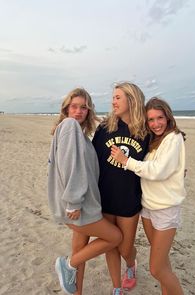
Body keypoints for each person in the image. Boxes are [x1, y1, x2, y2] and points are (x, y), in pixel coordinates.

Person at [47, 87, 122, 295]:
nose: (79, 111)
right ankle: (68, 264)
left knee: (80, 250)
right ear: (66, 108)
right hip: (79, 205)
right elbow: (70, 166)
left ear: (88, 111)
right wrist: (73, 201)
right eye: (74, 106)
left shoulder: (77, 133)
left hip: (81, 203)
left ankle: (75, 289)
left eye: (84, 108)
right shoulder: (70, 126)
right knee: (115, 237)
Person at [111, 97, 186, 295]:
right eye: (151, 120)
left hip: (166, 209)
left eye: (160, 118)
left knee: (156, 269)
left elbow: (157, 171)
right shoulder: (155, 140)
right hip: (148, 207)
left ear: (168, 117)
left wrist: (126, 161)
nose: (155, 124)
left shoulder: (173, 138)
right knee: (164, 265)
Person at [92, 82, 150, 295]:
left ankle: (131, 265)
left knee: (125, 247)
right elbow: (92, 158)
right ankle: (116, 286)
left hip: (129, 199)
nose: (113, 101)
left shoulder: (144, 130)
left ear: (131, 100)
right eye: (113, 97)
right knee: (110, 245)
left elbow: (157, 160)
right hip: (105, 197)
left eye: (118, 97)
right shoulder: (106, 127)